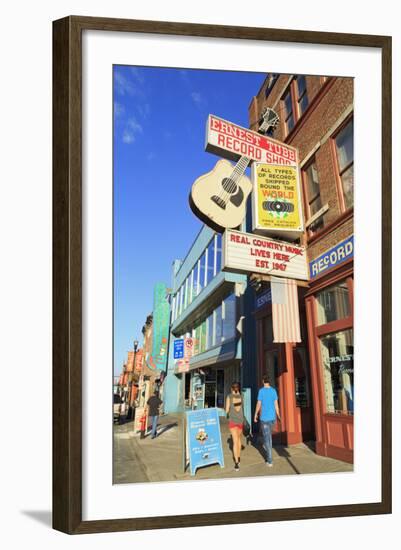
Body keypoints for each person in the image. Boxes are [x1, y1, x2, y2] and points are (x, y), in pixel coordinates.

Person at [254, 374, 281, 467]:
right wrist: (278, 415)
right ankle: (269, 454)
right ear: (269, 381)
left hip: (264, 418)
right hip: (272, 418)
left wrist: (255, 414)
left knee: (267, 439)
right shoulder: (273, 391)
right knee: (269, 437)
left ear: (263, 381)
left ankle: (269, 460)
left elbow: (258, 404)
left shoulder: (261, 391)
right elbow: (276, 405)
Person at [225, 381, 245, 472]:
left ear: (232, 388)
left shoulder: (229, 397)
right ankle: (239, 458)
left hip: (233, 421)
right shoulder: (241, 396)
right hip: (240, 420)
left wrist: (226, 414)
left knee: (235, 441)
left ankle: (236, 463)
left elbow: (226, 410)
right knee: (239, 440)